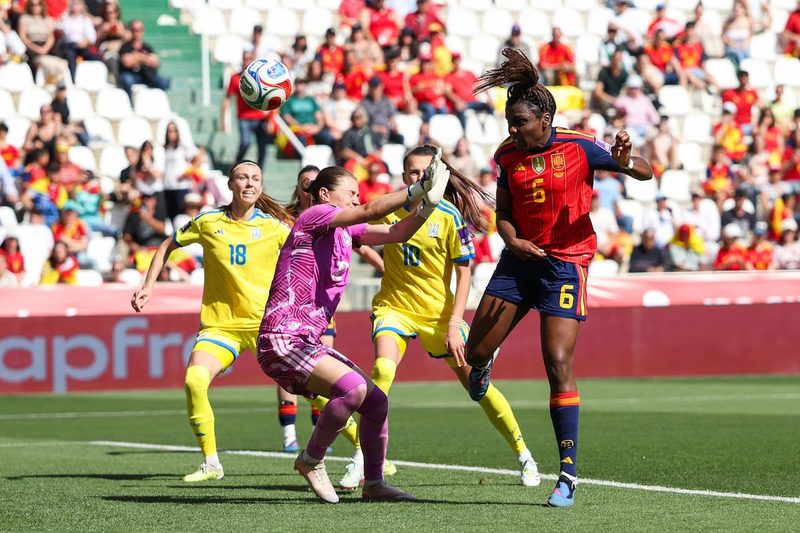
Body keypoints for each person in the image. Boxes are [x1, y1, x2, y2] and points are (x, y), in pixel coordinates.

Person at [466, 48, 653, 508]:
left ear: (545, 119)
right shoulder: (507, 154)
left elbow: (645, 172)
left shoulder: (580, 146)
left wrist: (625, 160)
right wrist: (512, 240)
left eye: (520, 122)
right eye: (509, 122)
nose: (512, 130)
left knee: (557, 362)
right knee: (473, 354)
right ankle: (486, 362)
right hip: (518, 260)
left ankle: (567, 474)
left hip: (565, 264)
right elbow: (503, 212)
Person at [337, 144, 541, 491]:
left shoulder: (448, 215)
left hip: (438, 315)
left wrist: (454, 323)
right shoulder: (389, 208)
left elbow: (464, 272)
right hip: (394, 308)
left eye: (425, 172)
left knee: (478, 388)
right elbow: (355, 229)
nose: (419, 177)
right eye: (413, 173)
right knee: (382, 370)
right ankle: (363, 460)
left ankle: (524, 455)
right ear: (405, 176)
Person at [255, 157, 452, 503]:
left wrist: (427, 207)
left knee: (375, 402)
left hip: (305, 341)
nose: (356, 200)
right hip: (282, 338)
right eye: (351, 193)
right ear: (325, 195)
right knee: (353, 389)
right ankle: (310, 460)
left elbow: (397, 233)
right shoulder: (314, 216)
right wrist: (418, 189)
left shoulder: (346, 231)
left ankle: (374, 483)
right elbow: (371, 211)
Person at [131, 160, 292, 482]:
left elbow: (305, 260)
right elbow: (167, 245)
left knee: (318, 389)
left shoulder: (275, 227)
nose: (250, 183)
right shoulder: (208, 222)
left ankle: (363, 452)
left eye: (256, 178)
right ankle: (211, 463)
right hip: (221, 327)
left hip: (266, 327)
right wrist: (148, 285)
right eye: (243, 178)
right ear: (230, 185)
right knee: (194, 380)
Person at [221, 49, 274, 169]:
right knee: (245, 142)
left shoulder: (262, 78)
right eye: (245, 59)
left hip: (260, 117)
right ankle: (237, 163)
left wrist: (270, 118)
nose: (246, 62)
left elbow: (270, 97)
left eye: (249, 59)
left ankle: (259, 172)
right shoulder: (235, 78)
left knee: (262, 146)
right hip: (244, 117)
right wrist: (223, 119)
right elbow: (227, 98)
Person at [117, 19, 169, 99]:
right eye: (134, 30)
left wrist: (136, 57)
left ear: (143, 31)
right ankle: (130, 102)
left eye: (139, 30)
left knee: (163, 82)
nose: (136, 32)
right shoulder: (125, 46)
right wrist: (145, 58)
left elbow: (155, 62)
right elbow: (126, 62)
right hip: (130, 75)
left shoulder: (147, 47)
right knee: (126, 79)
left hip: (145, 75)